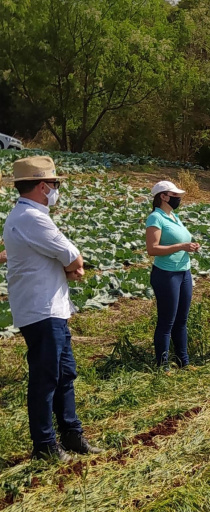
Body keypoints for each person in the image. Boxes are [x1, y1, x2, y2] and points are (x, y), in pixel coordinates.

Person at [4, 156, 101, 461]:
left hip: (51, 308)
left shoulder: (27, 216)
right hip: (42, 310)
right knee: (46, 377)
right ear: (44, 186)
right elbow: (71, 256)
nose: (57, 190)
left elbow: (66, 259)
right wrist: (73, 266)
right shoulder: (32, 218)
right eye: (56, 184)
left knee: (64, 373)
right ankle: (45, 445)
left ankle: (71, 435)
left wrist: (71, 265)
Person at [145, 180, 200, 367]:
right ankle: (163, 364)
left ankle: (183, 361)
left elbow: (181, 241)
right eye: (175, 195)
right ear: (163, 196)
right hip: (166, 274)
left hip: (184, 272)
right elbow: (152, 249)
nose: (179, 198)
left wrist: (190, 246)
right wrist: (182, 246)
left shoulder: (174, 217)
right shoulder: (156, 218)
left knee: (181, 320)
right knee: (167, 321)